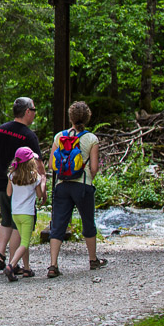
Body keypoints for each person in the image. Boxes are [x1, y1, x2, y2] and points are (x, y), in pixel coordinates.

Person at [47, 100, 106, 278]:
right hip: (83, 186)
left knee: (58, 225)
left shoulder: (59, 137)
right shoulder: (91, 139)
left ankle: (53, 265)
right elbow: (94, 168)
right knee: (88, 222)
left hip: (62, 185)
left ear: (70, 118)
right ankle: (93, 259)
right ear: (87, 118)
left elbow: (51, 165)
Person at [0, 97, 41, 272]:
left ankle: (0, 253)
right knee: (18, 224)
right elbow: (38, 163)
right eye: (33, 110)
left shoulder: (1, 130)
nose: (34, 114)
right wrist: (42, 180)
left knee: (6, 219)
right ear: (27, 112)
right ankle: (13, 263)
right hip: (20, 187)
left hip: (2, 183)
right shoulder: (29, 136)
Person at [3, 147, 46, 281]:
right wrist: (43, 183)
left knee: (23, 240)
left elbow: (8, 193)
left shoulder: (12, 175)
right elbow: (39, 195)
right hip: (27, 214)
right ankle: (11, 265)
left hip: (15, 213)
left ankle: (27, 268)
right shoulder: (35, 177)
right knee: (25, 243)